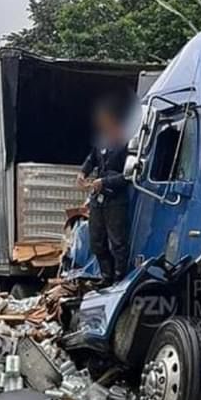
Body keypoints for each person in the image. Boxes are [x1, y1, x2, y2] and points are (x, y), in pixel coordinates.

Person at [79, 95, 133, 286]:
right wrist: (82, 173)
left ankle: (119, 276)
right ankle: (106, 275)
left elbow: (129, 176)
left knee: (118, 242)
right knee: (96, 241)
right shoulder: (101, 141)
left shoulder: (126, 143)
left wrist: (105, 181)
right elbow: (91, 160)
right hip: (98, 199)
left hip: (116, 199)